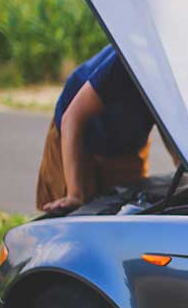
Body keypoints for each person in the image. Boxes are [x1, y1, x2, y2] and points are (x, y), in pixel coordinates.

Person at [36, 45, 157, 213]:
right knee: (70, 216)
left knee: (128, 213)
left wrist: (181, 164)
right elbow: (72, 118)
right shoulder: (127, 61)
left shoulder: (184, 75)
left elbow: (171, 123)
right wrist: (74, 194)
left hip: (127, 143)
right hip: (75, 135)